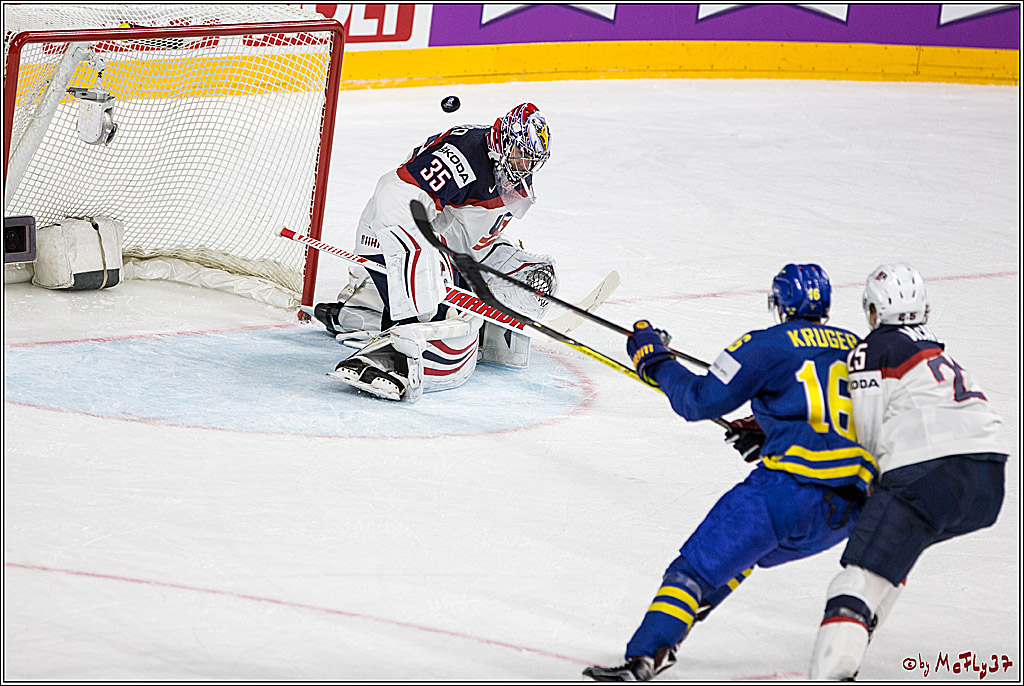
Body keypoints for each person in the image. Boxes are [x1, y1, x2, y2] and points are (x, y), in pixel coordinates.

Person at [583, 264, 879, 681]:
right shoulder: (860, 347)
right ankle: (671, 639)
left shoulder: (766, 345)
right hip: (847, 511)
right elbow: (845, 412)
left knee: (693, 572)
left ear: (780, 303)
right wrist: (772, 429)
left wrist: (655, 361)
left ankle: (645, 658)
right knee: (743, 556)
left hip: (786, 493)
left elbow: (698, 401)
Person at [807, 263, 1007, 680]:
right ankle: (853, 641)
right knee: (893, 555)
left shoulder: (874, 349)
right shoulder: (937, 350)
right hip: (988, 479)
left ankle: (831, 671)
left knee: (859, 577)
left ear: (875, 311)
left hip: (927, 471)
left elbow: (868, 434)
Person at [314, 103, 556, 401]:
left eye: (532, 160)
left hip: (446, 239)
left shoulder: (510, 170)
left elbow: (472, 232)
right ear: (504, 141)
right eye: (521, 155)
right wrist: (423, 271)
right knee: (433, 309)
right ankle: (391, 349)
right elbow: (395, 198)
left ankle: (363, 311)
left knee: (532, 280)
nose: (525, 165)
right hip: (389, 234)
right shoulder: (460, 157)